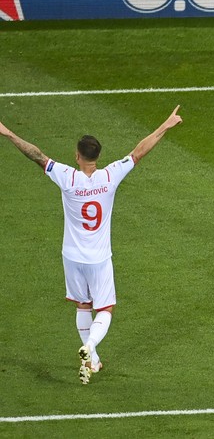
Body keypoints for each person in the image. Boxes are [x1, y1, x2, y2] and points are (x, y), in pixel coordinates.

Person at [0, 106, 183, 384]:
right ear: (97, 157)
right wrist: (165, 125)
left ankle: (93, 360)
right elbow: (139, 151)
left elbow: (36, 154)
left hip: (71, 256)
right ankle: (89, 347)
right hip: (98, 258)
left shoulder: (67, 177)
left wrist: (7, 132)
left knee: (83, 306)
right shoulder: (109, 176)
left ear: (77, 156)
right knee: (105, 308)